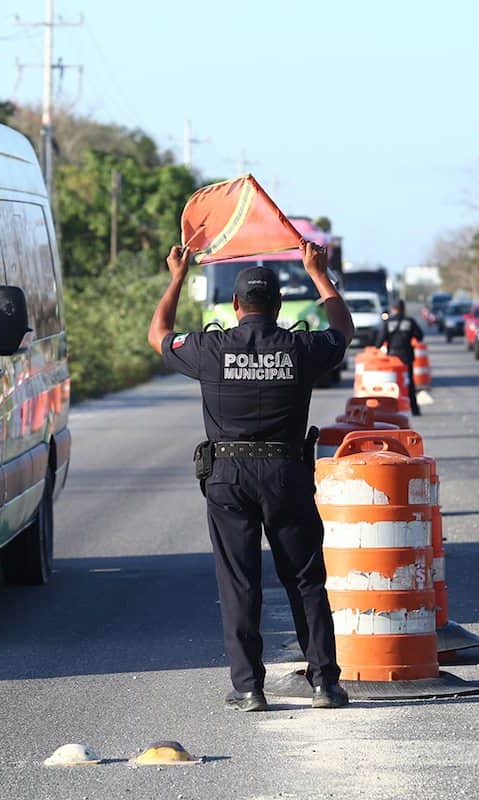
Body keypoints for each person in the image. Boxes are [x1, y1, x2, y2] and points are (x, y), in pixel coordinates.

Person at [147, 240, 354, 713]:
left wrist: (177, 276)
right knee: (305, 580)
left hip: (228, 477)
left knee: (239, 583)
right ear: (278, 306)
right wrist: (318, 273)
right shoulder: (301, 348)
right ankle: (324, 683)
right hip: (286, 474)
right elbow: (343, 330)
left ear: (236, 305)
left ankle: (248, 688)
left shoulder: (209, 349)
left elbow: (158, 334)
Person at [372, 299, 424, 416]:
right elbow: (420, 336)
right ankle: (414, 409)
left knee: (392, 384)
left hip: (393, 359)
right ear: (403, 308)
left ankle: (394, 409)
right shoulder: (410, 321)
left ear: (393, 308)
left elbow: (379, 342)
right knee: (409, 383)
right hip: (407, 356)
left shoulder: (388, 322)